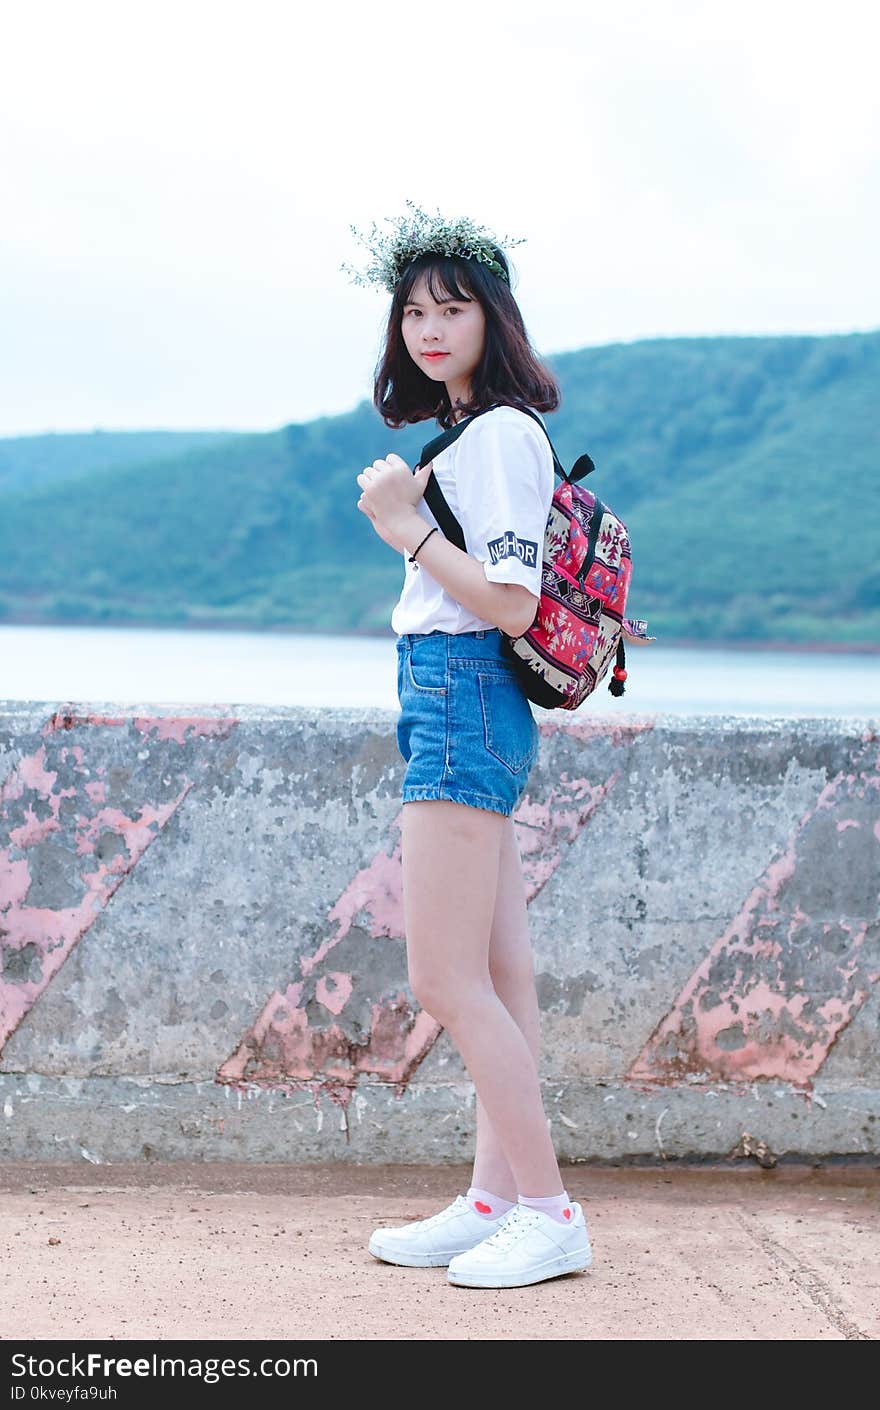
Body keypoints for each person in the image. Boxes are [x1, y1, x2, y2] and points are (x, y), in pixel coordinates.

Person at [346, 205, 593, 1290]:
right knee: (500, 972)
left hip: (460, 688)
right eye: (412, 310)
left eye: (451, 308)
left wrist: (408, 530)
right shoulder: (475, 432)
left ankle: (547, 1209)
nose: (428, 327)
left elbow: (504, 600)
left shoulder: (497, 436)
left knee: (444, 978)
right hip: (461, 695)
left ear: (493, 318)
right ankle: (496, 1198)